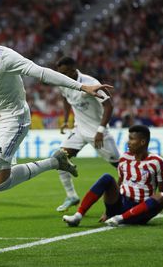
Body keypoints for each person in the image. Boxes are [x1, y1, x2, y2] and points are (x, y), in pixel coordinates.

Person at [0, 17, 113, 258]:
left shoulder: (5, 57)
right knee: (1, 182)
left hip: (14, 119)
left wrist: (82, 87)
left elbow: (42, 73)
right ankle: (55, 161)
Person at [63, 125, 163, 227]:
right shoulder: (124, 158)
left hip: (141, 210)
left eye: (132, 139)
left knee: (161, 196)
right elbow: (120, 182)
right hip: (120, 204)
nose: (128, 142)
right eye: (128, 138)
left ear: (142, 142)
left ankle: (120, 218)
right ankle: (78, 216)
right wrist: (107, 212)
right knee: (107, 178)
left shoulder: (157, 162)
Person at [54, 57, 120, 212]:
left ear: (72, 69)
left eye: (64, 72)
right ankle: (71, 196)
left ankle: (129, 195)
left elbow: (109, 106)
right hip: (79, 130)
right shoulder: (63, 82)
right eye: (60, 73)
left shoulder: (91, 82)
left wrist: (100, 131)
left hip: (98, 132)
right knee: (59, 159)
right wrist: (65, 120)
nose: (61, 76)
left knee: (120, 166)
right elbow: (66, 98)